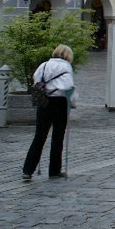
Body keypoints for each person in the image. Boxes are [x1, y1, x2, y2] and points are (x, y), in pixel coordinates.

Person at [22, 44, 77, 181]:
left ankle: (28, 170)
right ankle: (54, 170)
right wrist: (73, 103)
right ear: (67, 55)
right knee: (57, 137)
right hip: (59, 102)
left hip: (44, 101)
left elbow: (36, 80)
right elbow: (69, 86)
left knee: (39, 136)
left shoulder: (44, 65)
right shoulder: (66, 67)